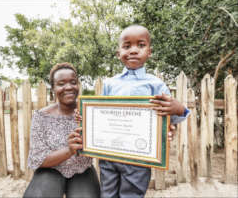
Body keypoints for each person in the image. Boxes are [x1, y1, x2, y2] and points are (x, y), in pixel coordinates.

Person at [99, 25, 190, 198]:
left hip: (138, 158)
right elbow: (100, 114)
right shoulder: (110, 84)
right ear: (118, 53)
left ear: (149, 51)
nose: (133, 50)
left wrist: (178, 109)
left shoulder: (156, 85)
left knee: (131, 194)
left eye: (140, 45)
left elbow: (170, 118)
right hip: (109, 155)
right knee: (107, 194)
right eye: (127, 46)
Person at [23, 63, 100, 198]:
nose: (68, 87)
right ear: (53, 88)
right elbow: (38, 159)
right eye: (61, 83)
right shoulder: (41, 117)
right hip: (50, 169)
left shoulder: (89, 112)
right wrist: (69, 151)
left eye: (73, 82)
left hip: (81, 169)